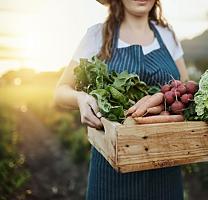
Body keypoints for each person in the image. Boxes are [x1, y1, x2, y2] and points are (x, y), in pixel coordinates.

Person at [54, 0, 189, 199]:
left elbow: (185, 87)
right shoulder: (96, 36)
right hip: (112, 168)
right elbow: (59, 92)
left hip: (165, 166)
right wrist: (81, 98)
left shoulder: (167, 34)